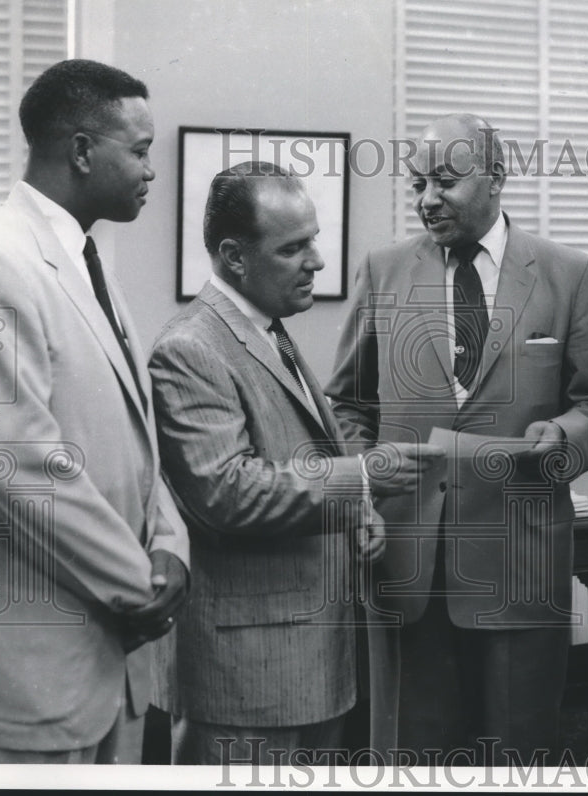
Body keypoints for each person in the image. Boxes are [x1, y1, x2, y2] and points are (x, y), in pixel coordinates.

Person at [327, 113, 588, 763]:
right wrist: (365, 476)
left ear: (495, 179)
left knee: (519, 754)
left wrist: (564, 437)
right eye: (417, 183)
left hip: (519, 563)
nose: (426, 198)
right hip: (404, 565)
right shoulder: (382, 271)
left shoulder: (570, 274)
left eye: (444, 181)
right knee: (410, 758)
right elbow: (344, 403)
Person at [148, 161, 442, 764]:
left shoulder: (268, 330)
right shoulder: (190, 347)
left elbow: (295, 457)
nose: (317, 261)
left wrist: (360, 511)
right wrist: (361, 476)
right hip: (249, 681)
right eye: (294, 247)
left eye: (313, 239)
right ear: (234, 256)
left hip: (308, 665)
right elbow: (226, 492)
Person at [0, 59, 190, 764]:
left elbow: (135, 434)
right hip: (38, 670)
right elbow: (18, 462)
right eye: (141, 151)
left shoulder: (85, 261)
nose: (153, 171)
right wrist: (140, 584)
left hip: (111, 661)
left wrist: (172, 545)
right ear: (83, 150)